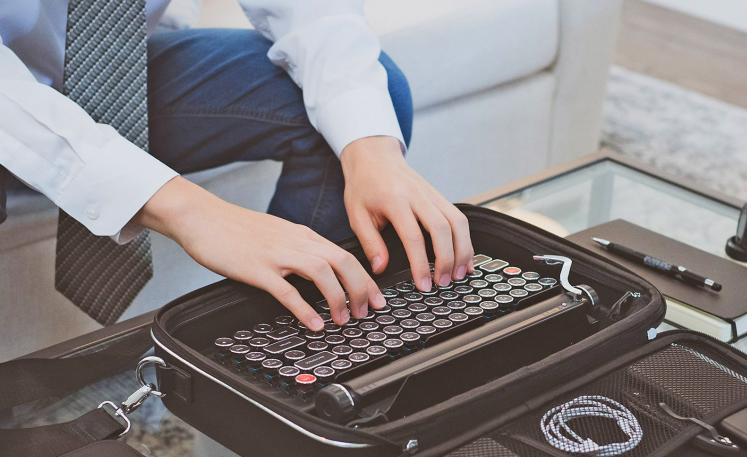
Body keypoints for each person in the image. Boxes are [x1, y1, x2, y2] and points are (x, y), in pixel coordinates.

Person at [0, 1, 474, 330]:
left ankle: (273, 377)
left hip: (112, 68)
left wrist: (371, 148)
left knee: (367, 106)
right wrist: (192, 211)